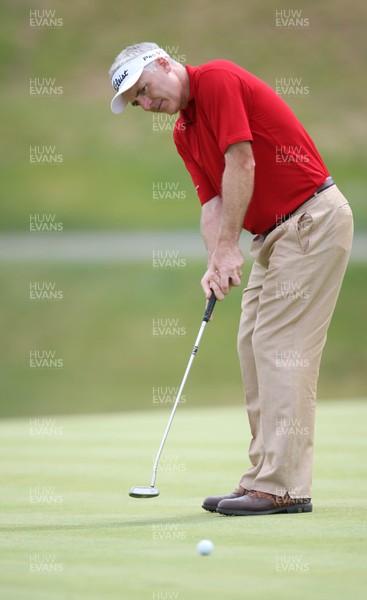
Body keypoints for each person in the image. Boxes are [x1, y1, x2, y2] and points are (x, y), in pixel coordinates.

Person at [108, 42, 353, 516]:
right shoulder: (183, 132)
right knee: (252, 345)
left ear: (163, 63)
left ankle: (284, 488)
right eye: (137, 101)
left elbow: (242, 161)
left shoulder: (217, 79)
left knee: (281, 347)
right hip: (272, 237)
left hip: (311, 220)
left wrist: (228, 246)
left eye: (144, 91)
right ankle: (264, 477)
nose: (146, 104)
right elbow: (212, 204)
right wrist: (216, 260)